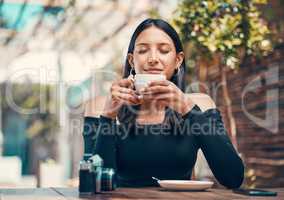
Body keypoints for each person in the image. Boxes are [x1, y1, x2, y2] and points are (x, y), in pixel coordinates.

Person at [83, 18, 244, 189]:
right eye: (143, 50)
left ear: (178, 60)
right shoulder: (100, 106)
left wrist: (188, 109)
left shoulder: (199, 104)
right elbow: (93, 185)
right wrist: (108, 117)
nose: (153, 59)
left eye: (164, 50)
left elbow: (233, 177)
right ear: (132, 61)